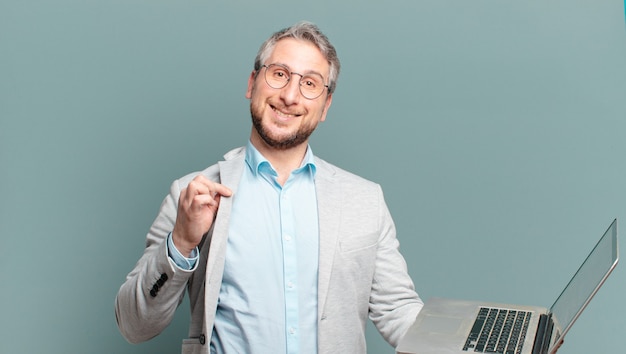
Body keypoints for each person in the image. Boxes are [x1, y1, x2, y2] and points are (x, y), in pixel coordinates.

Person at [115, 21, 423, 354]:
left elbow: (397, 309)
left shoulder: (364, 200)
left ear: (326, 106)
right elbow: (135, 325)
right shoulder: (192, 194)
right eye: (279, 74)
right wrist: (182, 241)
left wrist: (466, 345)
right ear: (252, 82)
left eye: (309, 83)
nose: (290, 96)